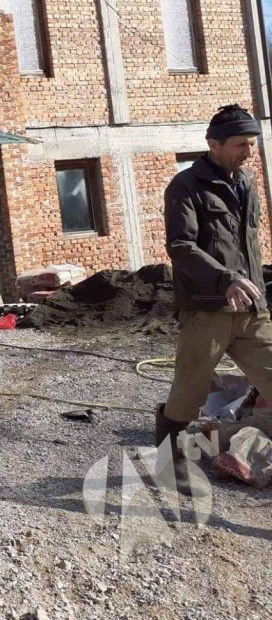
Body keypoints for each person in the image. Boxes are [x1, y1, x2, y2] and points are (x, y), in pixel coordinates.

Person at [160, 104, 272, 496]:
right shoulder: (186, 186)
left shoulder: (247, 182)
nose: (248, 151)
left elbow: (248, 244)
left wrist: (256, 287)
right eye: (241, 144)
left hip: (251, 309)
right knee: (188, 394)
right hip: (207, 309)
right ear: (214, 144)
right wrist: (225, 279)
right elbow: (181, 246)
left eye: (251, 144)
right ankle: (168, 465)